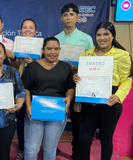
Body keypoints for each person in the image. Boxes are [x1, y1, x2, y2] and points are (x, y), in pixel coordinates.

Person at [73, 21, 133, 160]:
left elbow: (126, 80)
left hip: (110, 100)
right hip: (89, 99)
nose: (102, 37)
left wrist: (118, 96)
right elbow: (82, 77)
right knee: (84, 139)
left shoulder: (122, 55)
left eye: (106, 34)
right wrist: (77, 78)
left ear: (112, 36)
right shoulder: (86, 55)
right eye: (99, 34)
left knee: (105, 140)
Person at [22, 37, 75, 160]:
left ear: (60, 50)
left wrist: (69, 97)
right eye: (49, 48)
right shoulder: (32, 67)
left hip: (57, 111)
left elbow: (71, 87)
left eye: (56, 49)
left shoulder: (65, 68)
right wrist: (28, 105)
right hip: (35, 111)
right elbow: (26, 88)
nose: (53, 52)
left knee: (50, 149)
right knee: (31, 149)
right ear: (43, 50)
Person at [55, 3, 94, 159]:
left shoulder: (86, 39)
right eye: (65, 14)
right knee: (56, 117)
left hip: (79, 86)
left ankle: (76, 151)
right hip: (59, 84)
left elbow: (92, 63)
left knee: (78, 120)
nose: (68, 17)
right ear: (61, 18)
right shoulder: (56, 39)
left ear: (77, 17)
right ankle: (53, 147)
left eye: (72, 14)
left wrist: (79, 70)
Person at [15, 18, 38, 160]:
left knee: (35, 121)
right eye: (25, 27)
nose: (27, 30)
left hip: (36, 93)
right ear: (21, 31)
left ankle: (33, 149)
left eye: (31, 27)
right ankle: (22, 149)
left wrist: (35, 64)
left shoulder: (42, 51)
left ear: (36, 31)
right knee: (21, 121)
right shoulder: (15, 50)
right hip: (19, 91)